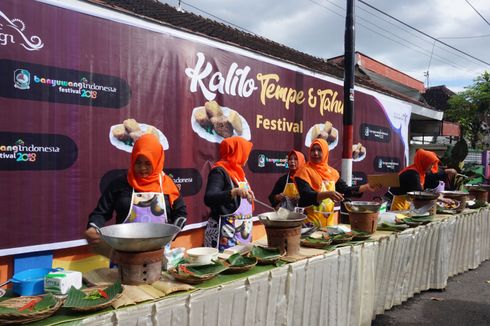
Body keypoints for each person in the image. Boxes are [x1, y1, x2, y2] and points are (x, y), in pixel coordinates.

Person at [84, 134, 187, 246]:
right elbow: (100, 213)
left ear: (157, 161)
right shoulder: (119, 184)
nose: (142, 168)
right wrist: (93, 227)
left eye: (148, 163)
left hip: (160, 251)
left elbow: (181, 213)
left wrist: (171, 234)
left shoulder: (167, 185)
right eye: (138, 162)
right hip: (123, 251)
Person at [294, 138, 377, 227]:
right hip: (308, 225)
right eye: (313, 150)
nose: (315, 153)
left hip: (328, 225)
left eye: (319, 150)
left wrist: (366, 187)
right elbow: (306, 196)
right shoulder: (303, 172)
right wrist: (328, 194)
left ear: (326, 152)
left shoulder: (332, 173)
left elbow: (345, 190)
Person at [203, 136, 254, 252]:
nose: (247, 156)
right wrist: (233, 192)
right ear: (239, 152)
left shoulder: (239, 173)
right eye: (245, 152)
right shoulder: (219, 171)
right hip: (224, 237)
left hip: (242, 236)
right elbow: (209, 198)